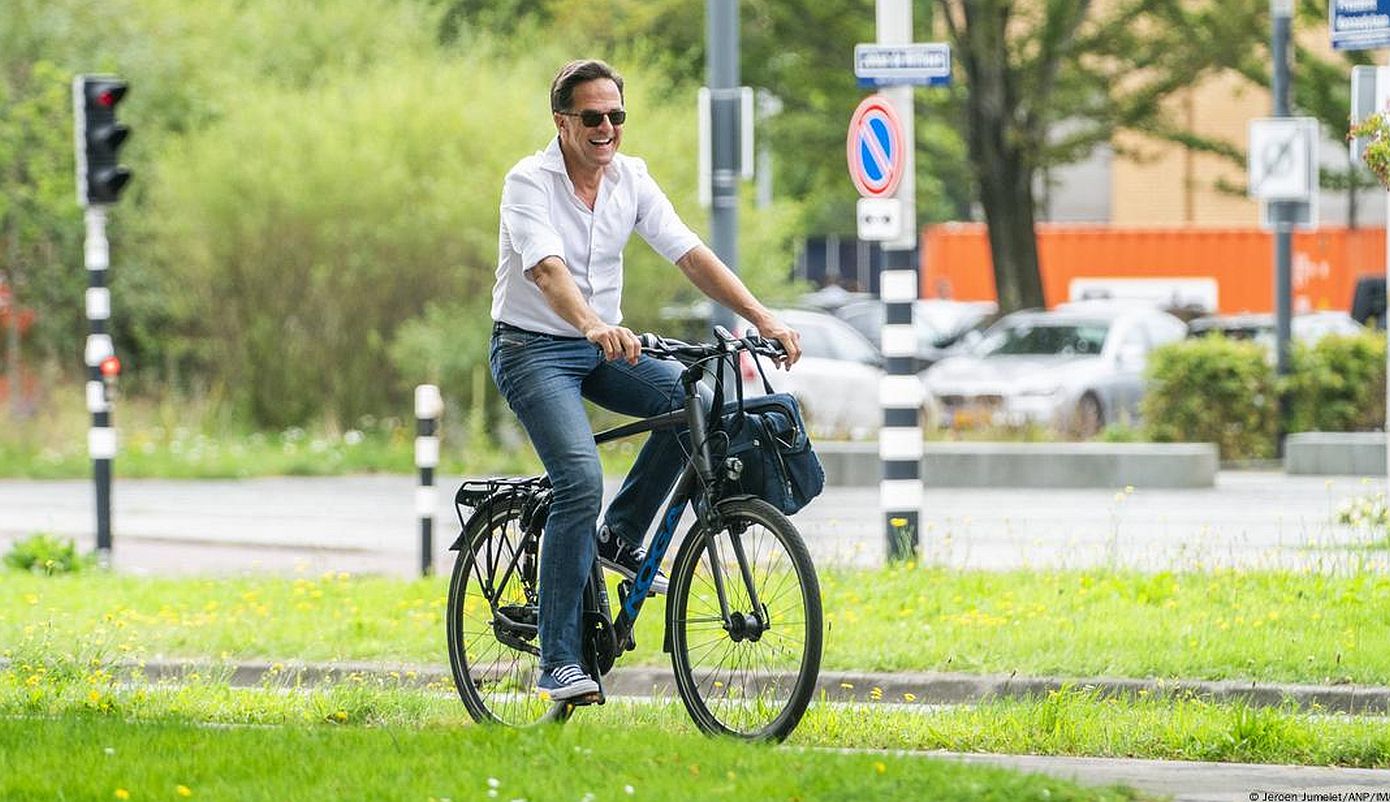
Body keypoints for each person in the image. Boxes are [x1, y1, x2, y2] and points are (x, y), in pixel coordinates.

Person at [489, 59, 802, 702]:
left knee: (700, 403)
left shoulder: (630, 178)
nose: (606, 127)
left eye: (616, 115)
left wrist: (762, 316)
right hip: (532, 348)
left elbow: (689, 253)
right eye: (592, 117)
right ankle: (558, 661)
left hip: (603, 346)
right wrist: (593, 324)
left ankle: (621, 534)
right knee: (579, 480)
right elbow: (546, 270)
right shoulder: (528, 181)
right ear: (561, 122)